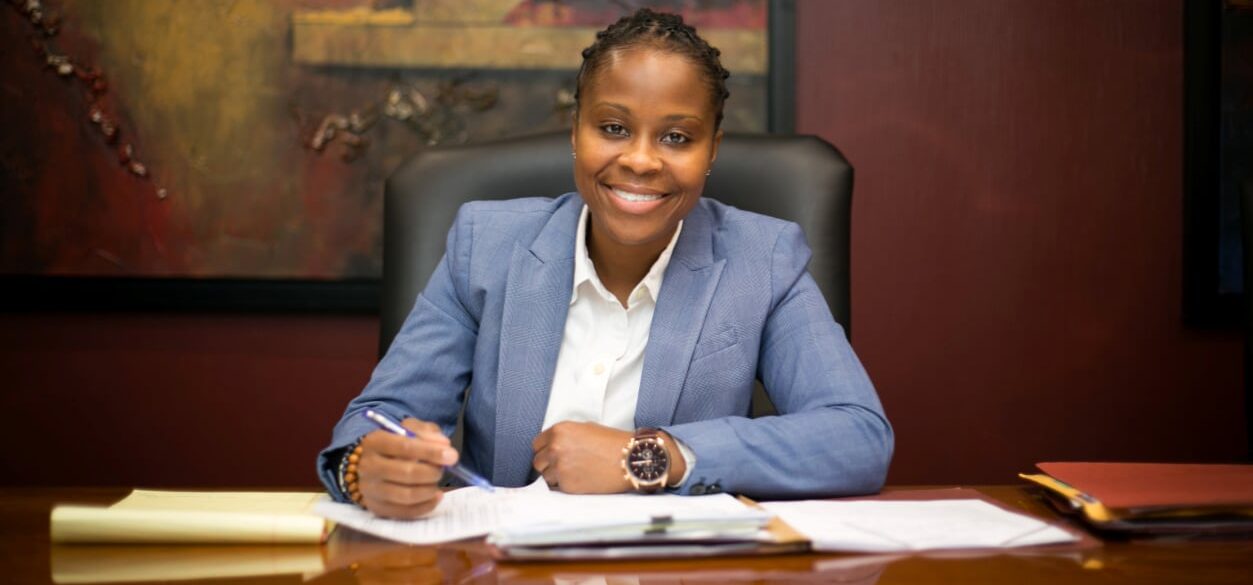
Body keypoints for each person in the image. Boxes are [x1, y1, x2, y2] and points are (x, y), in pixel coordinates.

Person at [318, 8, 892, 519]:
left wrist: (644, 457)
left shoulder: (762, 260)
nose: (641, 160)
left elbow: (857, 436)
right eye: (613, 128)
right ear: (576, 131)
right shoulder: (486, 246)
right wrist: (365, 468)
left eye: (676, 137)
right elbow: (380, 416)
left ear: (712, 149)